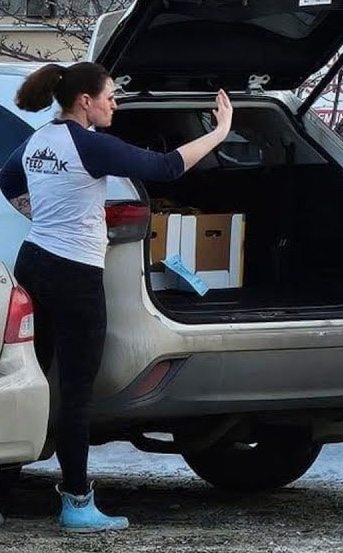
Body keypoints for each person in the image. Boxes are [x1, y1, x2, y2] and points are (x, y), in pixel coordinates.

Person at [0, 62, 233, 533]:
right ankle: (77, 502)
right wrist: (222, 131)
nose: (115, 103)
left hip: (35, 261)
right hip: (74, 276)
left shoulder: (40, 139)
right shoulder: (90, 145)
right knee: (76, 393)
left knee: (27, 380)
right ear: (84, 101)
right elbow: (166, 167)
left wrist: (42, 212)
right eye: (109, 96)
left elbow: (8, 178)